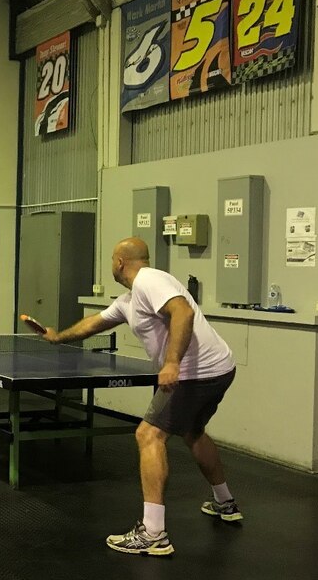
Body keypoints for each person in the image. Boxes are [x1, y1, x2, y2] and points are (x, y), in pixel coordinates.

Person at [42, 237, 241, 556]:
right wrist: (58, 337)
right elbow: (95, 323)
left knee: (148, 435)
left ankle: (153, 533)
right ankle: (225, 502)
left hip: (196, 372)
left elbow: (183, 313)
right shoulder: (129, 300)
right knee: (193, 432)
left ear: (120, 262)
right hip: (221, 367)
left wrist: (173, 362)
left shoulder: (150, 279)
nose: (111, 265)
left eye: (111, 260)